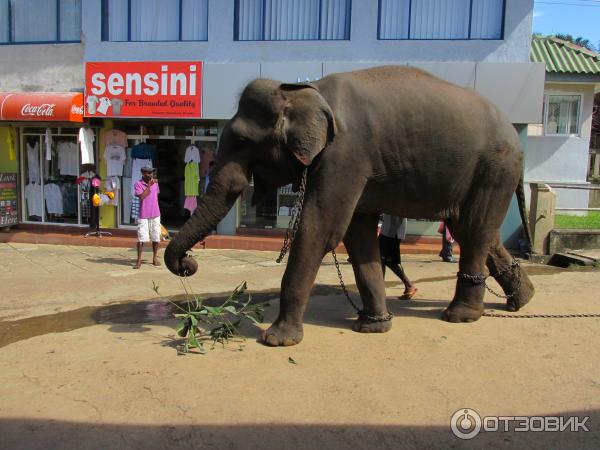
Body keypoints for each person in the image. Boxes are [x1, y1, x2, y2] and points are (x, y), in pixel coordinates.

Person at [379, 214, 417, 300]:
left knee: (387, 260)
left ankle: (409, 285)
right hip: (388, 232)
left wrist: (390, 235)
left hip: (391, 233)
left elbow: (396, 216)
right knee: (382, 260)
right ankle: (380, 288)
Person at [133, 166, 161, 269]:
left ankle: (154, 258)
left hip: (155, 213)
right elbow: (142, 197)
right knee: (141, 238)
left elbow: (156, 196)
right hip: (143, 214)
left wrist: (152, 184)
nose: (150, 175)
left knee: (156, 237)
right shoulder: (138, 184)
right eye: (148, 173)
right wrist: (149, 185)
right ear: (143, 173)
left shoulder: (156, 184)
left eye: (151, 172)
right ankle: (139, 260)